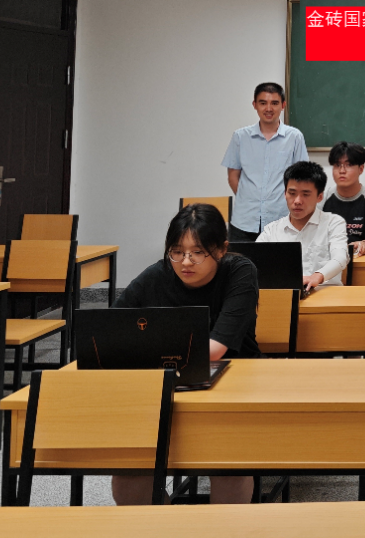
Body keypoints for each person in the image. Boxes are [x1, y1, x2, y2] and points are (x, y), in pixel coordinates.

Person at [111, 203, 260, 504]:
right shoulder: (158, 274)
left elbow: (216, 348)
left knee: (227, 467)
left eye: (198, 252)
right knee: (129, 469)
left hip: (232, 382)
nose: (185, 262)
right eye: (177, 252)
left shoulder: (240, 272)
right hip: (165, 383)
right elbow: (110, 330)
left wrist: (148, 352)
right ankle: (163, 521)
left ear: (221, 249)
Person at [222, 82, 309, 242]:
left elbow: (302, 178)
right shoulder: (240, 137)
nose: (269, 108)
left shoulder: (294, 137)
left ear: (283, 105)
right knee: (240, 259)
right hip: (244, 221)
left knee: (280, 260)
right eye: (263, 103)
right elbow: (233, 176)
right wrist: (248, 198)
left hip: (281, 219)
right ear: (254, 105)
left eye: (274, 103)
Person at [257, 161, 349, 289]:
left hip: (325, 292)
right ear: (285, 194)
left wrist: (317, 276)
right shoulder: (272, 230)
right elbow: (253, 261)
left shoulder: (333, 223)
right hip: (286, 294)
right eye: (292, 193)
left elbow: (340, 258)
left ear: (319, 197)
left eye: (305, 194)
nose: (297, 201)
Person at [322, 141, 365, 256]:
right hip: (327, 260)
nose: (342, 171)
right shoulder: (321, 199)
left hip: (362, 259)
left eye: (349, 165)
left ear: (361, 169)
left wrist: (364, 244)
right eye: (337, 165)